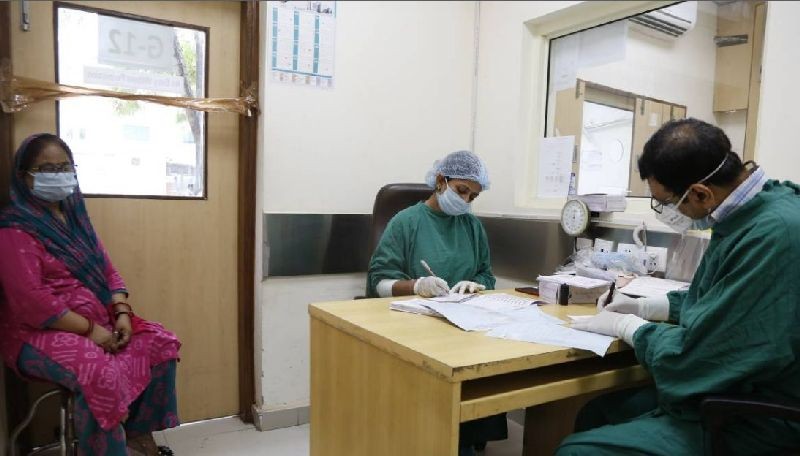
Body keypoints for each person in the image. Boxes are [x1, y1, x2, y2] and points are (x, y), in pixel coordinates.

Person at [560, 118, 800, 455]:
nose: (665, 212)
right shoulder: (752, 213)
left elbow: (701, 357)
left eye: (666, 203)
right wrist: (650, 307)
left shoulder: (772, 235)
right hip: (740, 390)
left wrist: (630, 327)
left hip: (759, 417)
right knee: (597, 413)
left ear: (701, 193)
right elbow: (724, 299)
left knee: (578, 451)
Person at [0, 134, 182, 456]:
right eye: (47, 168)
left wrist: (122, 313)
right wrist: (91, 331)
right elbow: (32, 302)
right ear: (23, 176)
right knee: (97, 371)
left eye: (64, 167)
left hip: (97, 321)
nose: (58, 175)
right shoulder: (14, 229)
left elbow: (108, 271)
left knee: (160, 344)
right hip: (36, 332)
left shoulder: (76, 219)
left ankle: (136, 435)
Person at [366, 150, 503, 456]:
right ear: (441, 181)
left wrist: (477, 284)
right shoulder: (406, 222)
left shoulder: (471, 226)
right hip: (416, 332)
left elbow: (486, 275)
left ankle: (463, 439)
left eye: (473, 196)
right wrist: (417, 285)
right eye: (461, 191)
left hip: (464, 328)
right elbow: (379, 282)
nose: (466, 201)